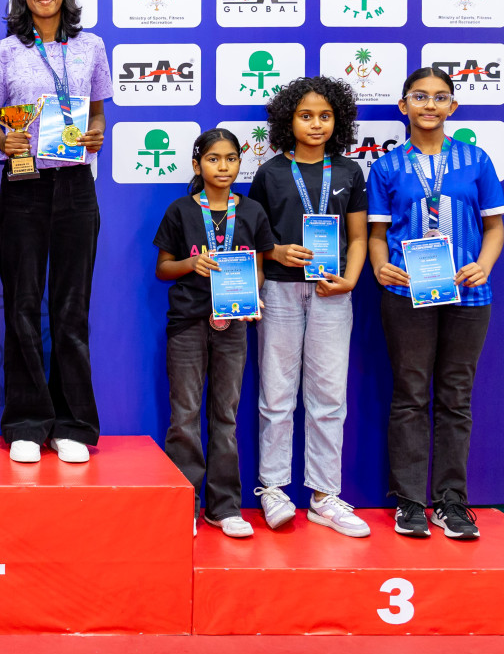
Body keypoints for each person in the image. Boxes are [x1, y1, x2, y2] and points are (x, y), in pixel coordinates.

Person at [368, 66, 504, 541]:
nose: (430, 105)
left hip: (469, 292)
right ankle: (409, 501)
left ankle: (452, 502)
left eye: (440, 97)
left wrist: (483, 265)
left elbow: (494, 227)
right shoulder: (386, 167)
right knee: (409, 396)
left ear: (453, 106)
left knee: (455, 399)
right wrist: (380, 267)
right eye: (419, 97)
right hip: (408, 292)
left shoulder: (475, 159)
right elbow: (377, 234)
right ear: (403, 106)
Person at [0, 0, 110, 464]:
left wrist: (96, 135)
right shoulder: (5, 51)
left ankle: (74, 424)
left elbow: (97, 114)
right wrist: (2, 141)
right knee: (21, 307)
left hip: (76, 187)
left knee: (70, 310)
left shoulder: (92, 46)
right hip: (24, 186)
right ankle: (26, 423)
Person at [247, 77, 371, 538]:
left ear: (337, 121)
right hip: (279, 291)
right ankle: (273, 489)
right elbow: (255, 238)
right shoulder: (271, 173)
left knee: (328, 397)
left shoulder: (350, 173)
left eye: (324, 115)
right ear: (287, 121)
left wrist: (351, 279)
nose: (315, 124)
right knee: (276, 395)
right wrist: (276, 252)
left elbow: (359, 237)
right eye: (305, 115)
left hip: (332, 293)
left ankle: (323, 496)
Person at [153, 128, 274, 538]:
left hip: (234, 326)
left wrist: (253, 298)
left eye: (231, 159)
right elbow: (163, 268)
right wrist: (193, 265)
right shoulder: (181, 211)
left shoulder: (253, 212)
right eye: (213, 159)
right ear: (196, 164)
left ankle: (224, 508)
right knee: (184, 417)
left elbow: (257, 267)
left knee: (225, 416)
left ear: (241, 163)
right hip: (187, 322)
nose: (223, 167)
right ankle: (185, 504)